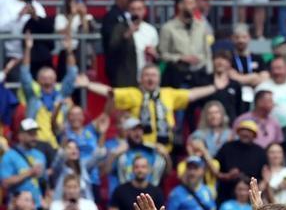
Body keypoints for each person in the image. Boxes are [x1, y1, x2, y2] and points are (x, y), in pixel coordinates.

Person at [77, 64, 223, 152]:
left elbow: (191, 94)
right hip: (140, 148)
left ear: (159, 79)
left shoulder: (168, 94)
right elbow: (110, 92)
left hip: (164, 149)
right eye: (147, 75)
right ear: (140, 79)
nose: (150, 79)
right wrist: (88, 85)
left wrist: (214, 87)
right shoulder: (133, 94)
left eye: (154, 75)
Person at [0, 119, 48, 206]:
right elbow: (5, 183)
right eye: (30, 134)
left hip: (37, 206)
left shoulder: (40, 155)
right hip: (17, 208)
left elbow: (45, 181)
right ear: (20, 135)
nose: (34, 137)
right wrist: (29, 173)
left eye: (35, 133)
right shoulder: (9, 156)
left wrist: (46, 198)